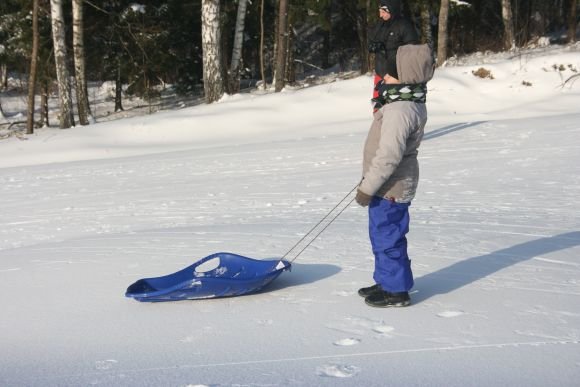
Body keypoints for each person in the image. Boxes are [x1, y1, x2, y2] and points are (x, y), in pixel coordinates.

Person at [355, 43, 434, 308]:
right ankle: (386, 280)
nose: (384, 79)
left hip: (391, 186)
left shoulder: (401, 110)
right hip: (388, 184)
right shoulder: (408, 101)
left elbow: (389, 155)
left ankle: (396, 291)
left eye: (389, 75)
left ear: (406, 75)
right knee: (381, 235)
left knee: (388, 237)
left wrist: (368, 187)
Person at [369, 0, 419, 101]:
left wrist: (397, 73)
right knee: (377, 104)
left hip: (397, 75)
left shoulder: (404, 25)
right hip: (380, 72)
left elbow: (412, 50)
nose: (380, 15)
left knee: (394, 106)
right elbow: (371, 40)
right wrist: (373, 46)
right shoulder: (380, 25)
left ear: (391, 10)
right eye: (379, 12)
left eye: (383, 12)